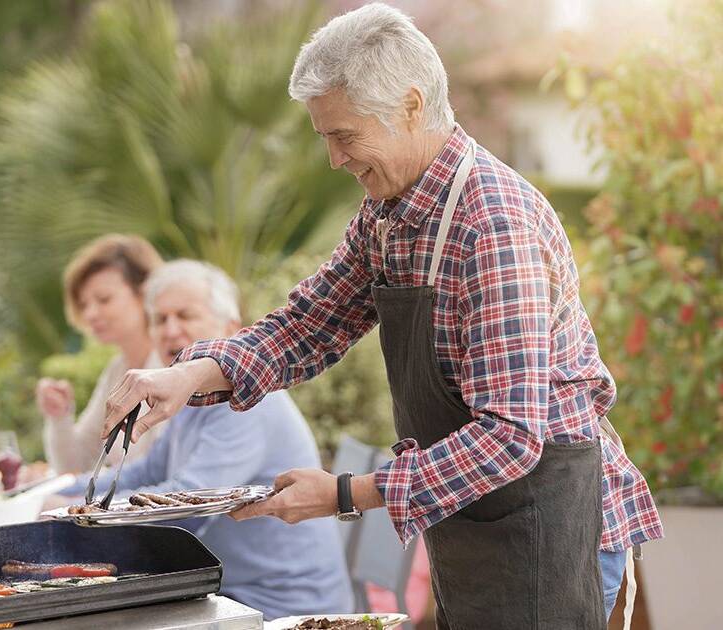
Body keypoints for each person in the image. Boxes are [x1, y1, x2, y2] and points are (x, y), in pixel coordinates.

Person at [102, 5, 663, 628]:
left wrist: (345, 494)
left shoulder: (493, 227)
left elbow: (511, 438)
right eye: (325, 138)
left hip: (549, 515)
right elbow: (309, 323)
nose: (335, 160)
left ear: (412, 106)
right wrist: (189, 375)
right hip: (474, 511)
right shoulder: (389, 214)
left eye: (344, 136)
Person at [56, 260, 353, 620]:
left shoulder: (249, 402)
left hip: (281, 605)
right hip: (227, 590)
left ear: (232, 328)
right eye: (160, 320)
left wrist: (82, 518)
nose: (170, 330)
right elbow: (147, 471)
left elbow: (188, 509)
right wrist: (66, 493)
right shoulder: (195, 395)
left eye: (185, 315)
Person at [37, 234, 164, 474]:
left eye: (103, 299)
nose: (91, 314)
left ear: (145, 292)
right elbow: (77, 465)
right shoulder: (118, 369)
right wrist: (59, 417)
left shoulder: (171, 363)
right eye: (84, 304)